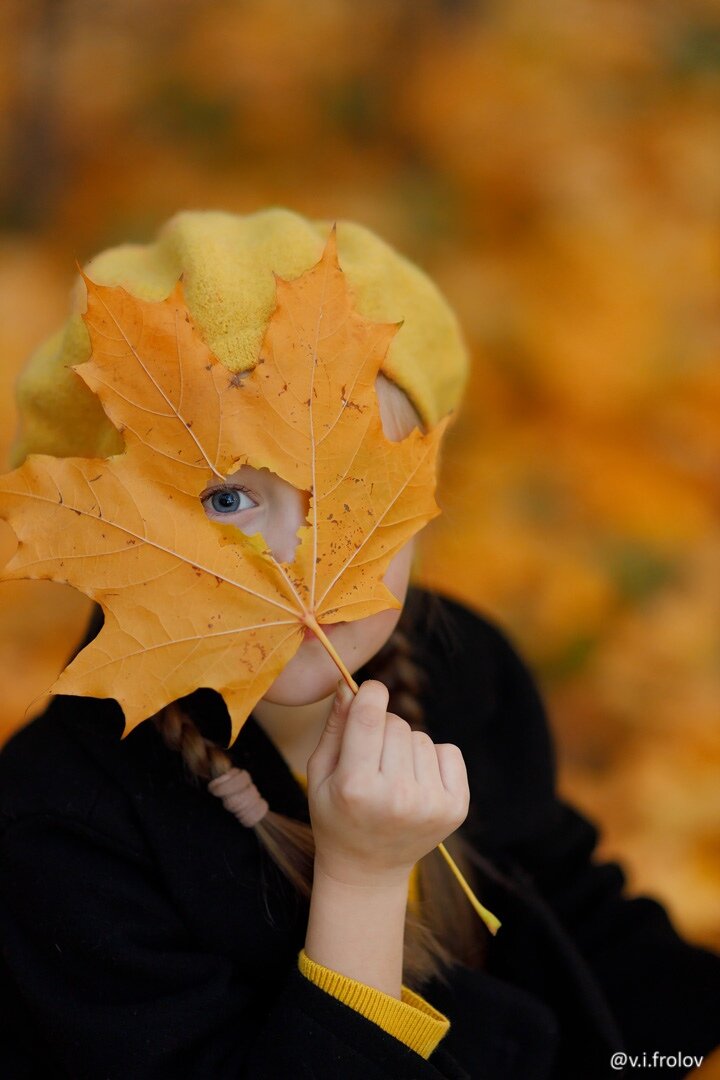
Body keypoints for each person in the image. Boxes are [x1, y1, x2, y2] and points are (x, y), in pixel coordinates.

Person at [0, 209, 718, 1080]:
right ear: (113, 539)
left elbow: (581, 932)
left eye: (346, 490)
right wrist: (364, 882)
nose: (298, 561)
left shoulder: (464, 672)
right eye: (226, 500)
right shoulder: (62, 825)